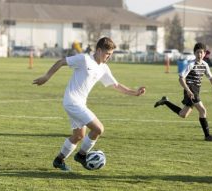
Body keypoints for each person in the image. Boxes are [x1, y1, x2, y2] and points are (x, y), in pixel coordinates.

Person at [33, 37, 146, 171]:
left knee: (79, 136)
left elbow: (116, 85)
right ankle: (81, 156)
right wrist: (46, 77)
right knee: (98, 129)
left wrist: (135, 93)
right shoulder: (84, 59)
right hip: (72, 101)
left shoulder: (103, 68)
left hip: (79, 103)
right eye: (107, 54)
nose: (109, 57)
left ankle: (59, 160)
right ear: (98, 50)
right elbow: (61, 62)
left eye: (111, 55)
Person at [154, 42, 212, 141]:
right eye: (197, 52)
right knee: (203, 110)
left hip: (195, 91)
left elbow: (211, 78)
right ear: (194, 53)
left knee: (183, 114)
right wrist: (188, 90)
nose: (200, 55)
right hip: (191, 90)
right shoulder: (191, 64)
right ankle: (207, 136)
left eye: (201, 52)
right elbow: (181, 78)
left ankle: (165, 101)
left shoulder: (205, 65)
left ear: (205, 53)